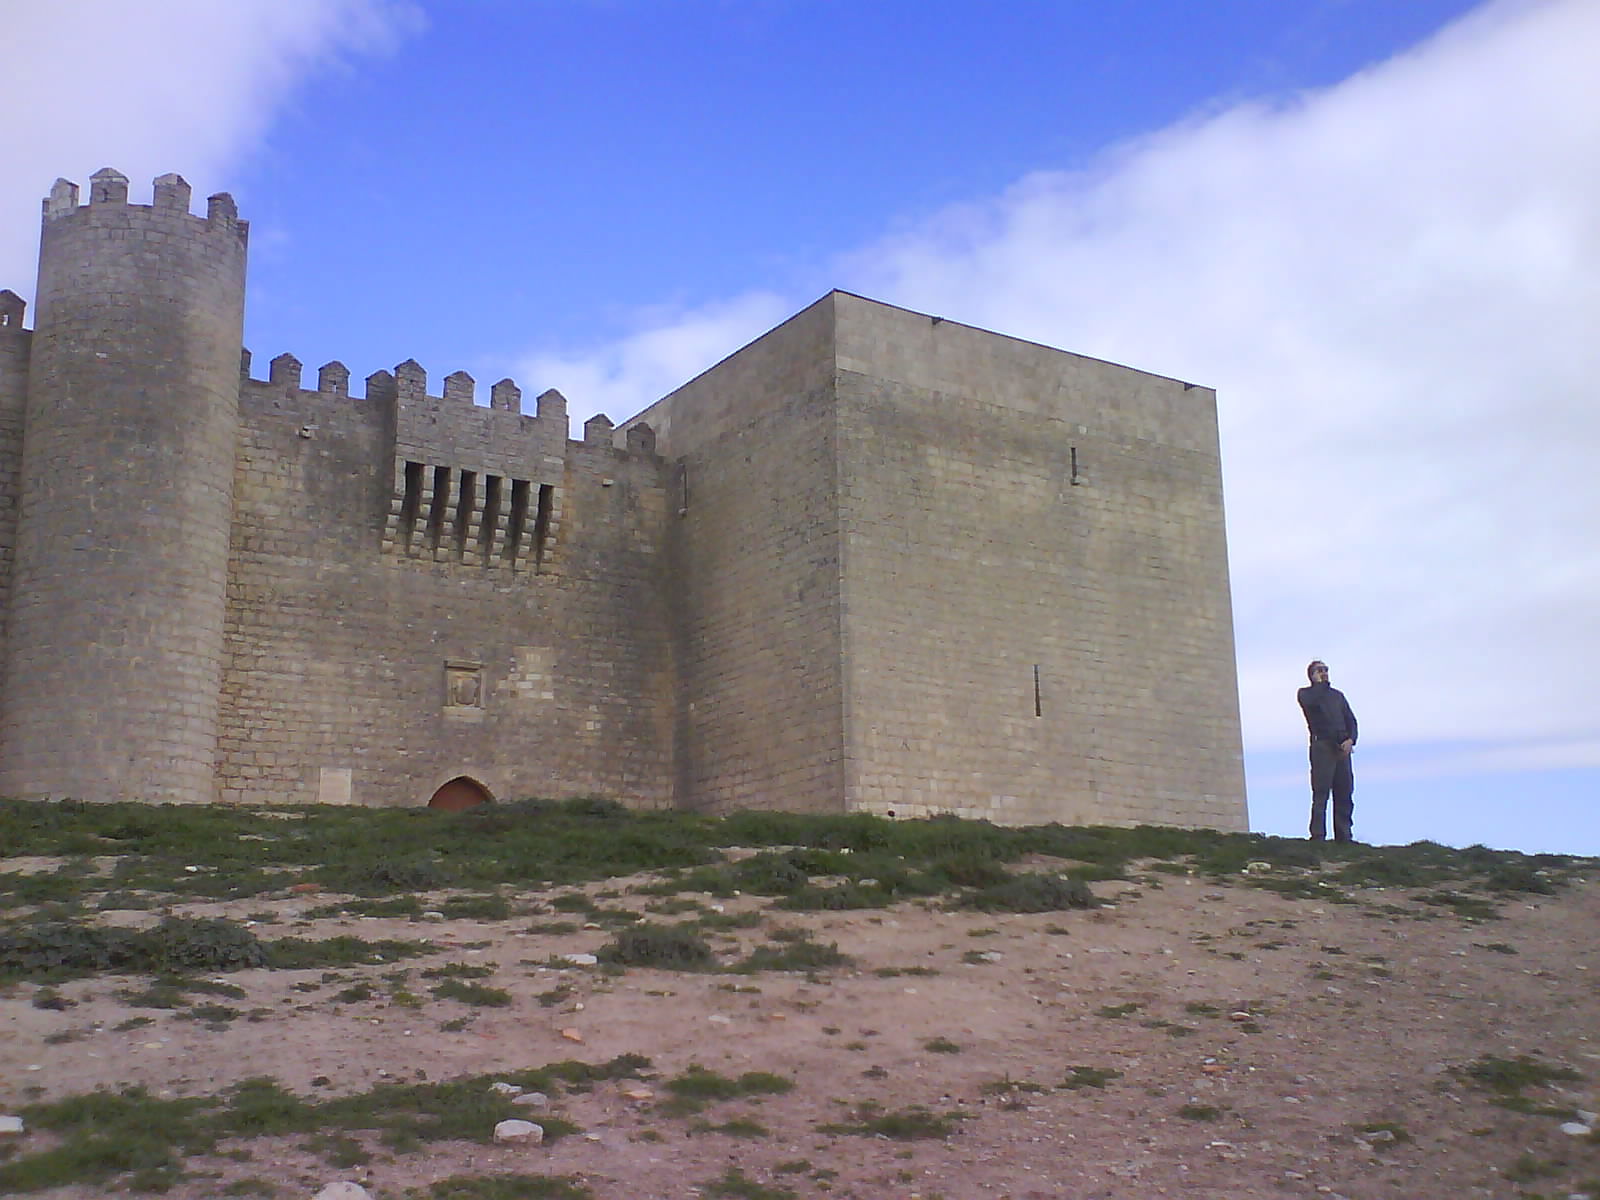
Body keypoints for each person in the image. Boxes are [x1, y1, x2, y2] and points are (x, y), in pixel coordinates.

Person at [1297, 660, 1357, 843]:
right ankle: (1318, 837)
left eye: (1326, 670)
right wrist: (1319, 685)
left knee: (1344, 793)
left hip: (1341, 749)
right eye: (1319, 670)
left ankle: (1344, 837)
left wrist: (1351, 740)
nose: (1324, 673)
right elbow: (1312, 704)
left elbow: (1351, 720)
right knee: (1321, 793)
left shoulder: (1338, 696)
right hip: (1322, 746)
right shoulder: (1306, 694)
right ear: (1311, 674)